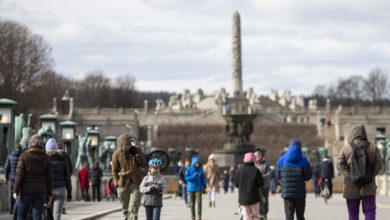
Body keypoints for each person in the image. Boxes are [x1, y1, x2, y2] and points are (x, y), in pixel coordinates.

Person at [337, 125, 382, 220]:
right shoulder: (373, 147)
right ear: (364, 133)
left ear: (353, 133)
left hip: (351, 186)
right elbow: (379, 165)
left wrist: (350, 176)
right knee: (370, 211)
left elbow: (339, 165)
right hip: (368, 186)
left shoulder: (347, 148)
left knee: (353, 214)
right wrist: (371, 175)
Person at [13, 135, 53, 220]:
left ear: (30, 144)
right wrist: (49, 194)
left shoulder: (24, 156)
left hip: (25, 191)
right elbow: (49, 178)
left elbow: (19, 175)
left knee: (22, 214)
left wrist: (15, 190)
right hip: (41, 191)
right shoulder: (46, 158)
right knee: (37, 216)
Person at [112, 134, 147, 220]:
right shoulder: (117, 154)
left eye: (128, 145)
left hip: (136, 183)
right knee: (126, 209)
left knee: (133, 208)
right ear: (121, 146)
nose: (127, 147)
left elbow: (144, 164)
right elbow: (114, 170)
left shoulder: (137, 150)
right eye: (125, 146)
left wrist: (137, 155)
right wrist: (116, 183)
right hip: (123, 184)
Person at [275, 138, 312, 220]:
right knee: (300, 216)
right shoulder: (304, 161)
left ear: (289, 147)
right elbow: (308, 177)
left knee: (289, 216)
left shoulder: (281, 160)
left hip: (287, 193)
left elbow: (277, 176)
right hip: (300, 193)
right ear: (300, 147)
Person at [45, 138, 72, 220]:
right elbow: (67, 177)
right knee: (57, 215)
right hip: (61, 189)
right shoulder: (63, 159)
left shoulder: (44, 160)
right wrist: (69, 191)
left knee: (47, 214)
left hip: (48, 190)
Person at [235, 152, 264, 220]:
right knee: (255, 216)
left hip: (243, 198)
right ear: (254, 160)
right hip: (254, 198)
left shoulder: (239, 170)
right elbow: (261, 184)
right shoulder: (256, 171)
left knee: (246, 216)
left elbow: (236, 184)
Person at [5, 144, 23, 214]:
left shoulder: (10, 156)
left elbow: (6, 168)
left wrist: (7, 178)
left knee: (13, 195)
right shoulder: (23, 156)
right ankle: (19, 209)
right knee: (21, 195)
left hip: (13, 179)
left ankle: (12, 209)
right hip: (21, 180)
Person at [255, 149, 271, 220]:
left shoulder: (266, 163)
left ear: (261, 156)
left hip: (265, 185)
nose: (257, 157)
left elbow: (269, 173)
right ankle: (261, 213)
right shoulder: (253, 164)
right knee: (259, 200)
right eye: (256, 156)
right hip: (257, 185)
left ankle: (265, 212)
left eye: (259, 155)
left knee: (265, 200)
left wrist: (262, 176)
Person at [57, 143, 72, 214]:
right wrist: (69, 174)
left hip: (53, 178)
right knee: (64, 194)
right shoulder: (65, 155)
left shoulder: (50, 154)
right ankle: (63, 207)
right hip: (63, 177)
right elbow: (70, 165)